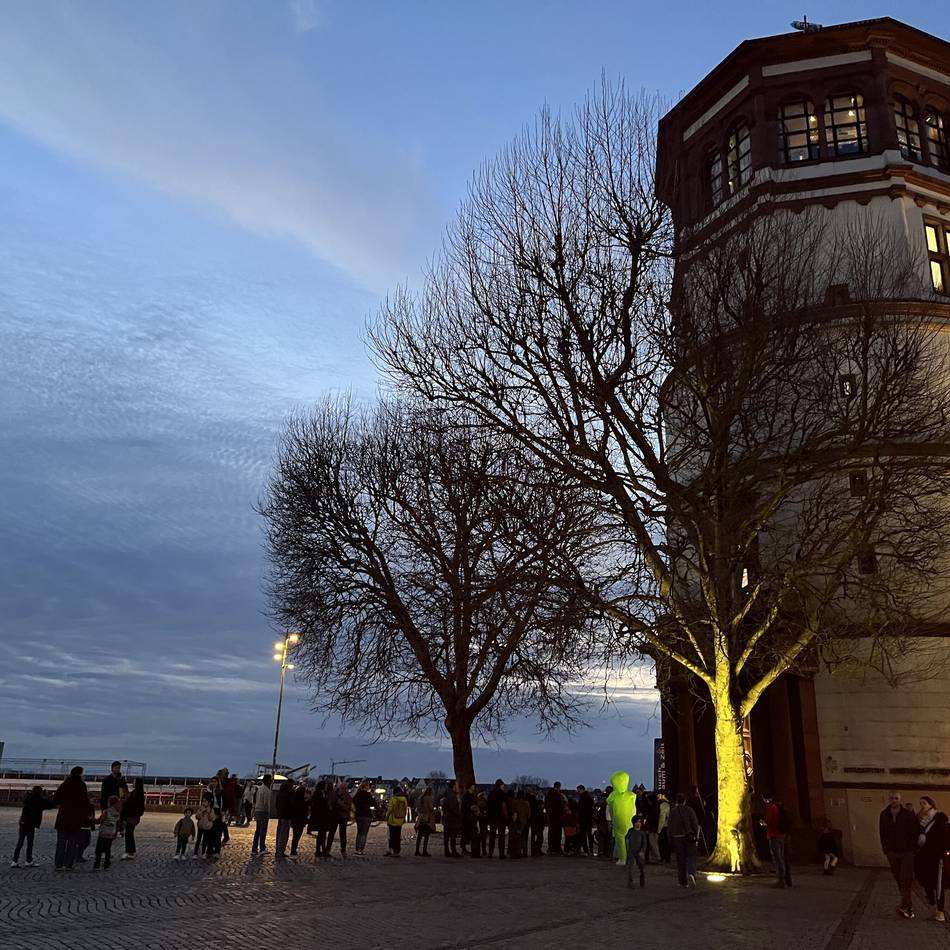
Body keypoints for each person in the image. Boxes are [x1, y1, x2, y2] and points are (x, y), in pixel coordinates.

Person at [879, 790, 919, 919]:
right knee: (898, 878)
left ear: (900, 799)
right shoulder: (884, 814)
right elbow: (882, 833)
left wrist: (912, 849)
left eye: (896, 798)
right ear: (889, 799)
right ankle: (907, 905)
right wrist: (886, 850)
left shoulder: (907, 814)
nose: (894, 800)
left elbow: (914, 832)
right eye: (892, 798)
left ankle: (906, 905)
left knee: (905, 878)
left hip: (906, 852)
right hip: (892, 852)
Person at [915, 795, 949, 922]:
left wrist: (943, 852)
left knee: (938, 884)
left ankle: (940, 911)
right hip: (924, 856)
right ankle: (931, 901)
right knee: (925, 880)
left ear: (931, 805)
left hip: (937, 856)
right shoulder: (918, 819)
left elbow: (945, 836)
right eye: (920, 803)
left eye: (924, 803)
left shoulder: (940, 817)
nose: (922, 806)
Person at [53, 765, 92, 872]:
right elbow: (85, 801)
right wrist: (88, 813)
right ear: (80, 774)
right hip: (75, 818)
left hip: (63, 817)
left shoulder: (65, 784)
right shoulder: (81, 785)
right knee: (72, 843)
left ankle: (58, 864)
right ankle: (68, 864)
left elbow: (56, 799)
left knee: (61, 842)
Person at [11, 786, 54, 868]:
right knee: (30, 843)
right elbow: (50, 805)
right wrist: (48, 797)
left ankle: (14, 861)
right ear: (40, 792)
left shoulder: (28, 798)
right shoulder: (40, 800)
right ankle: (28, 860)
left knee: (20, 843)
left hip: (23, 822)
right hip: (31, 824)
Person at [761, 793, 792, 888]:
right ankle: (786, 879)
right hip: (781, 835)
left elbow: (768, 820)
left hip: (774, 834)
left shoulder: (770, 807)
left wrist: (762, 822)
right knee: (781, 856)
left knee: (777, 857)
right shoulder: (778, 806)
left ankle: (781, 880)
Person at [668, 792, 699, 887]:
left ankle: (682, 881)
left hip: (677, 837)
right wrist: (694, 833)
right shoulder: (689, 810)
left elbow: (669, 825)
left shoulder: (673, 811)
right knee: (690, 857)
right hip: (688, 837)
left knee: (680, 860)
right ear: (685, 801)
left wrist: (670, 838)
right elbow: (695, 823)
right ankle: (691, 873)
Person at [94, 795, 122, 870]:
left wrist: (92, 820)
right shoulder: (117, 813)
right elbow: (117, 824)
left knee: (99, 849)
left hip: (103, 833)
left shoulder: (106, 811)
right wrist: (115, 833)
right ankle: (107, 863)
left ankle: (97, 864)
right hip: (111, 833)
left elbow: (100, 821)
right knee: (107, 849)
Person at [120, 777, 145, 860]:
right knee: (129, 833)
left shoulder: (136, 794)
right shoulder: (138, 793)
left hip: (131, 816)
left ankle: (129, 852)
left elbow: (131, 804)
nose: (133, 783)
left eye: (134, 781)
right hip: (134, 817)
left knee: (129, 834)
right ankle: (130, 851)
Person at [327, 781, 352, 856]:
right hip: (334, 816)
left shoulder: (347, 796)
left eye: (345, 788)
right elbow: (330, 803)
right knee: (331, 833)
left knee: (343, 834)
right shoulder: (334, 794)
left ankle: (343, 849)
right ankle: (328, 849)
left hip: (343, 817)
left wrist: (341, 804)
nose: (343, 790)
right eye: (342, 788)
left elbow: (348, 807)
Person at [252, 774, 274, 855]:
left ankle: (254, 849)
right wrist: (268, 812)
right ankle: (262, 848)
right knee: (263, 831)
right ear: (268, 781)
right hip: (263, 812)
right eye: (270, 780)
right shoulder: (267, 790)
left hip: (258, 810)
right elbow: (266, 803)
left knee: (257, 830)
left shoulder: (259, 789)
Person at [352, 781, 376, 856]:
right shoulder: (368, 795)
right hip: (367, 815)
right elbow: (373, 804)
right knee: (364, 834)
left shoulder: (357, 795)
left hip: (359, 815)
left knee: (359, 833)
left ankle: (357, 848)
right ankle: (360, 849)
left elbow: (353, 803)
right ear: (366, 787)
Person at [486, 779, 508, 859]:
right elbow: (506, 806)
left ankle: (490, 853)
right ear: (501, 785)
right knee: (501, 836)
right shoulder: (503, 795)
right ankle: (501, 853)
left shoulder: (491, 794)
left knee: (492, 835)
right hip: (501, 818)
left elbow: (488, 806)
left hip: (493, 817)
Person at [309, 780, 331, 857]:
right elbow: (318, 805)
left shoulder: (321, 793)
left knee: (322, 834)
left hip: (322, 816)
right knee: (321, 834)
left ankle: (321, 849)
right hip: (321, 817)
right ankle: (319, 850)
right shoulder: (318, 794)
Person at [385, 785, 408, 856]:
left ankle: (391, 850)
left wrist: (386, 817)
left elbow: (390, 810)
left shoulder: (393, 799)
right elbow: (405, 809)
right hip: (400, 820)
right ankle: (397, 851)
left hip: (392, 820)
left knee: (391, 836)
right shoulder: (404, 799)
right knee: (398, 836)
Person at [441, 779, 462, 857]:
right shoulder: (452, 796)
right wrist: (459, 814)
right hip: (452, 819)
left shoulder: (447, 795)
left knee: (447, 836)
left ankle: (447, 851)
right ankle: (453, 851)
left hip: (447, 818)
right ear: (453, 786)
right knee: (452, 836)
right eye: (456, 785)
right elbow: (454, 808)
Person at [275, 778, 295, 858]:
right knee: (284, 834)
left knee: (279, 833)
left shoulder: (280, 793)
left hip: (280, 815)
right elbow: (293, 804)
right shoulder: (290, 793)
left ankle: (278, 850)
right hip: (287, 816)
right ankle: (280, 851)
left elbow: (276, 804)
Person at [626, 816, 647, 888]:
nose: (638, 824)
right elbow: (627, 839)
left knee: (641, 868)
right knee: (631, 868)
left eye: (639, 822)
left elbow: (644, 843)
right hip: (632, 852)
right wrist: (628, 849)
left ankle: (642, 880)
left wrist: (642, 851)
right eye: (637, 822)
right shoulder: (631, 831)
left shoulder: (642, 833)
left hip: (639, 853)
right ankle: (630, 883)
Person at [290, 783, 310, 856]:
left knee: (295, 836)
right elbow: (304, 811)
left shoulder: (295, 800)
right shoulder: (303, 802)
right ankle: (293, 850)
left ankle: (293, 849)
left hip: (295, 820)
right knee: (297, 836)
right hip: (300, 821)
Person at [415, 787, 435, 856]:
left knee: (419, 835)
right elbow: (431, 808)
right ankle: (424, 851)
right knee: (426, 835)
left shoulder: (420, 798)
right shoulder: (428, 798)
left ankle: (417, 850)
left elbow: (417, 808)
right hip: (427, 818)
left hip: (420, 818)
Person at [461, 783, 480, 857]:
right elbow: (467, 807)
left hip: (467, 817)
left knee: (467, 833)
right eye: (472, 786)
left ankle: (465, 849)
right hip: (468, 817)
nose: (474, 787)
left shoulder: (468, 796)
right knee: (467, 833)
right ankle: (465, 849)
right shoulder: (467, 796)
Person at [545, 782, 564, 855]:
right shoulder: (558, 795)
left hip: (550, 816)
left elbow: (546, 805)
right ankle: (557, 848)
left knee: (551, 832)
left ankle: (551, 848)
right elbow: (561, 805)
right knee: (557, 833)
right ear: (559, 787)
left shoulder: (548, 795)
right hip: (557, 817)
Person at [194, 792, 215, 858]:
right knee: (198, 840)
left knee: (205, 841)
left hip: (207, 827)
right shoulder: (200, 808)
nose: (203, 802)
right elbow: (197, 817)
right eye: (203, 801)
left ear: (209, 803)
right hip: (200, 826)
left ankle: (203, 853)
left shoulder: (211, 810)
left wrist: (208, 812)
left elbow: (212, 818)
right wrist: (201, 812)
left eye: (205, 801)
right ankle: (195, 853)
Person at [576, 785, 594, 856]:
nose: (577, 792)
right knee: (589, 835)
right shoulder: (589, 797)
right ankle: (591, 850)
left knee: (583, 835)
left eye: (578, 790)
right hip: (588, 819)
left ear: (581, 789)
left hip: (583, 819)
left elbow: (580, 809)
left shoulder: (582, 797)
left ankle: (586, 850)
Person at [529, 791, 545, 857]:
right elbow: (540, 819)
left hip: (536, 825)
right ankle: (536, 850)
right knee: (540, 839)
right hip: (538, 826)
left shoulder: (534, 809)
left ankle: (536, 850)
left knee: (538, 839)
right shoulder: (539, 811)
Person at [657, 792, 671, 864]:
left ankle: (664, 858)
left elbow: (662, 817)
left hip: (663, 826)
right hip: (667, 826)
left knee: (663, 843)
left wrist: (659, 829)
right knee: (666, 843)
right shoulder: (667, 804)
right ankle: (667, 858)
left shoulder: (663, 805)